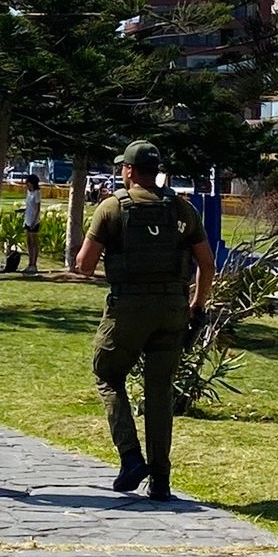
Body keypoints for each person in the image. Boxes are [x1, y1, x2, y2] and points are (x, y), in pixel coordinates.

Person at [75, 140, 214, 501]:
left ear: (130, 171)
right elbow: (207, 263)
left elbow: (85, 265)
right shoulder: (182, 208)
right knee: (159, 393)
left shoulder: (112, 208)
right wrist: (196, 306)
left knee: (107, 374)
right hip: (172, 310)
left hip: (129, 309)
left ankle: (131, 456)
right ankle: (161, 481)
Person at [22, 174, 42, 274]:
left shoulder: (37, 193)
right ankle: (30, 263)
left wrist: (34, 221)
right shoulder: (28, 193)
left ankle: (34, 264)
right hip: (27, 219)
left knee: (34, 243)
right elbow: (28, 205)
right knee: (29, 242)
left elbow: (38, 208)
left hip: (34, 221)